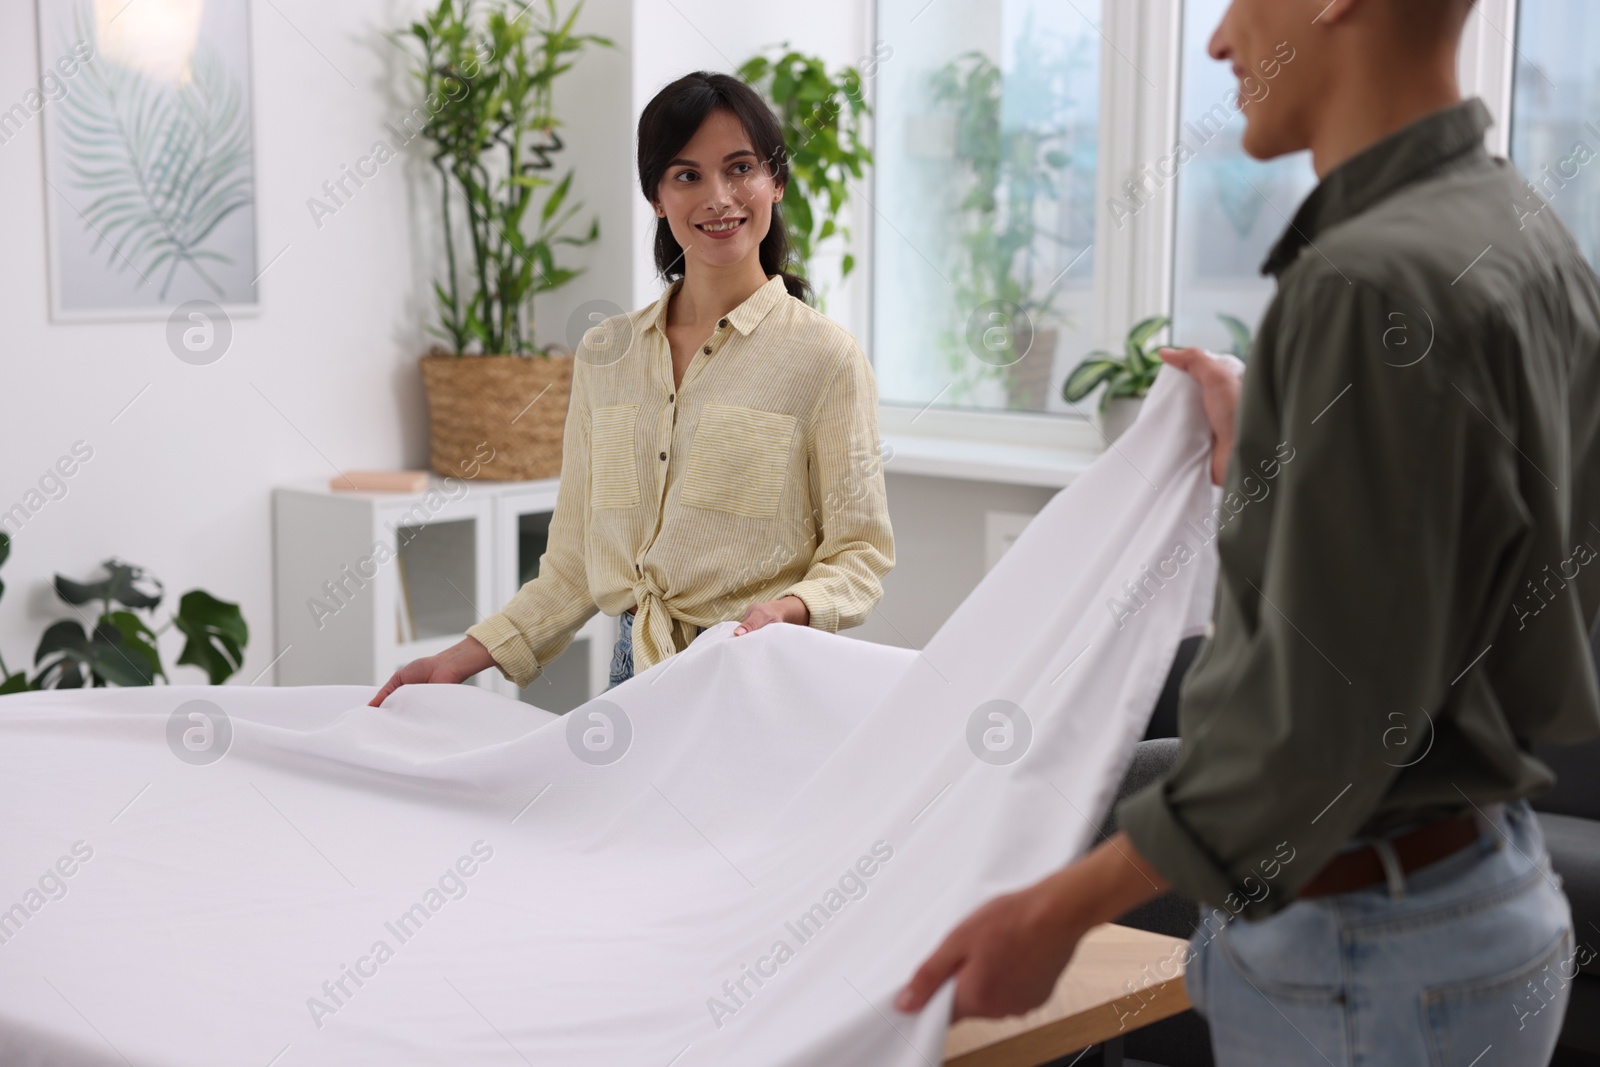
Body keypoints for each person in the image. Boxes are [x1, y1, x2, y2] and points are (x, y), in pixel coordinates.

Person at [896, 0, 1600, 1063]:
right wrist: (1283, 453)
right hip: (1481, 900)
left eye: (1233, 0)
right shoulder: (1523, 230)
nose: (1218, 39)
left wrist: (1053, 911)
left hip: (1365, 955)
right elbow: (1460, 574)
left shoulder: (1363, 283)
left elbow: (1312, 732)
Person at [371, 73, 894, 705]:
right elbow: (572, 565)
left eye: (740, 168)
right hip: (631, 678)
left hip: (756, 676)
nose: (719, 197)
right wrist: (462, 656)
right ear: (656, 196)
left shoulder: (825, 358)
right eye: (687, 175)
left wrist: (786, 610)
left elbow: (859, 554)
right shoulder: (605, 354)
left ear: (774, 182)